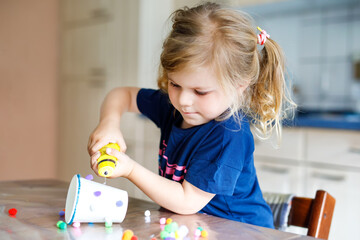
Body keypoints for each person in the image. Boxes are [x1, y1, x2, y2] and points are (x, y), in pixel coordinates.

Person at [88, 2, 296, 228]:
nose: (183, 101)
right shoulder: (174, 106)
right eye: (175, 84)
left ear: (239, 86)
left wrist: (129, 169)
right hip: (196, 227)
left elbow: (187, 201)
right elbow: (122, 95)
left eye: (200, 91)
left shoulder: (229, 134)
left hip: (242, 231)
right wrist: (109, 123)